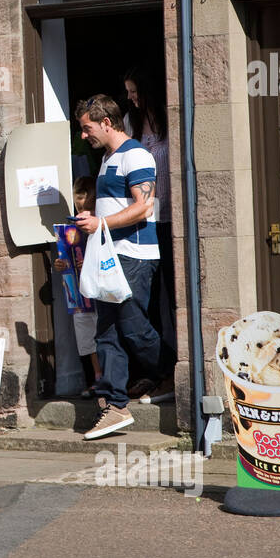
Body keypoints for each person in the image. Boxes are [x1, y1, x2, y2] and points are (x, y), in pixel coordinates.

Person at [74, 94, 169, 439]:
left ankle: (168, 370)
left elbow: (144, 207)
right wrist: (95, 222)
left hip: (134, 256)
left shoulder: (136, 155)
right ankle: (115, 404)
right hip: (110, 255)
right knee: (108, 330)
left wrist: (100, 224)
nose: (84, 136)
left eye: (87, 128)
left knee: (130, 328)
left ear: (107, 123)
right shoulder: (108, 157)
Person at [122, 66, 176, 400]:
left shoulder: (171, 116)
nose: (130, 98)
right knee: (148, 296)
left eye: (134, 91)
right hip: (145, 221)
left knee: (173, 296)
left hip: (171, 217)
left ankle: (172, 370)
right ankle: (155, 371)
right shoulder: (131, 123)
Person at [53, 177, 101, 398]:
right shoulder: (71, 229)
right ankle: (95, 378)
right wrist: (60, 264)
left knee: (102, 331)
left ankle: (105, 377)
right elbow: (66, 257)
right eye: (78, 204)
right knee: (85, 335)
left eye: (86, 207)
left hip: (99, 289)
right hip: (78, 292)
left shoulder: (101, 223)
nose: (82, 209)